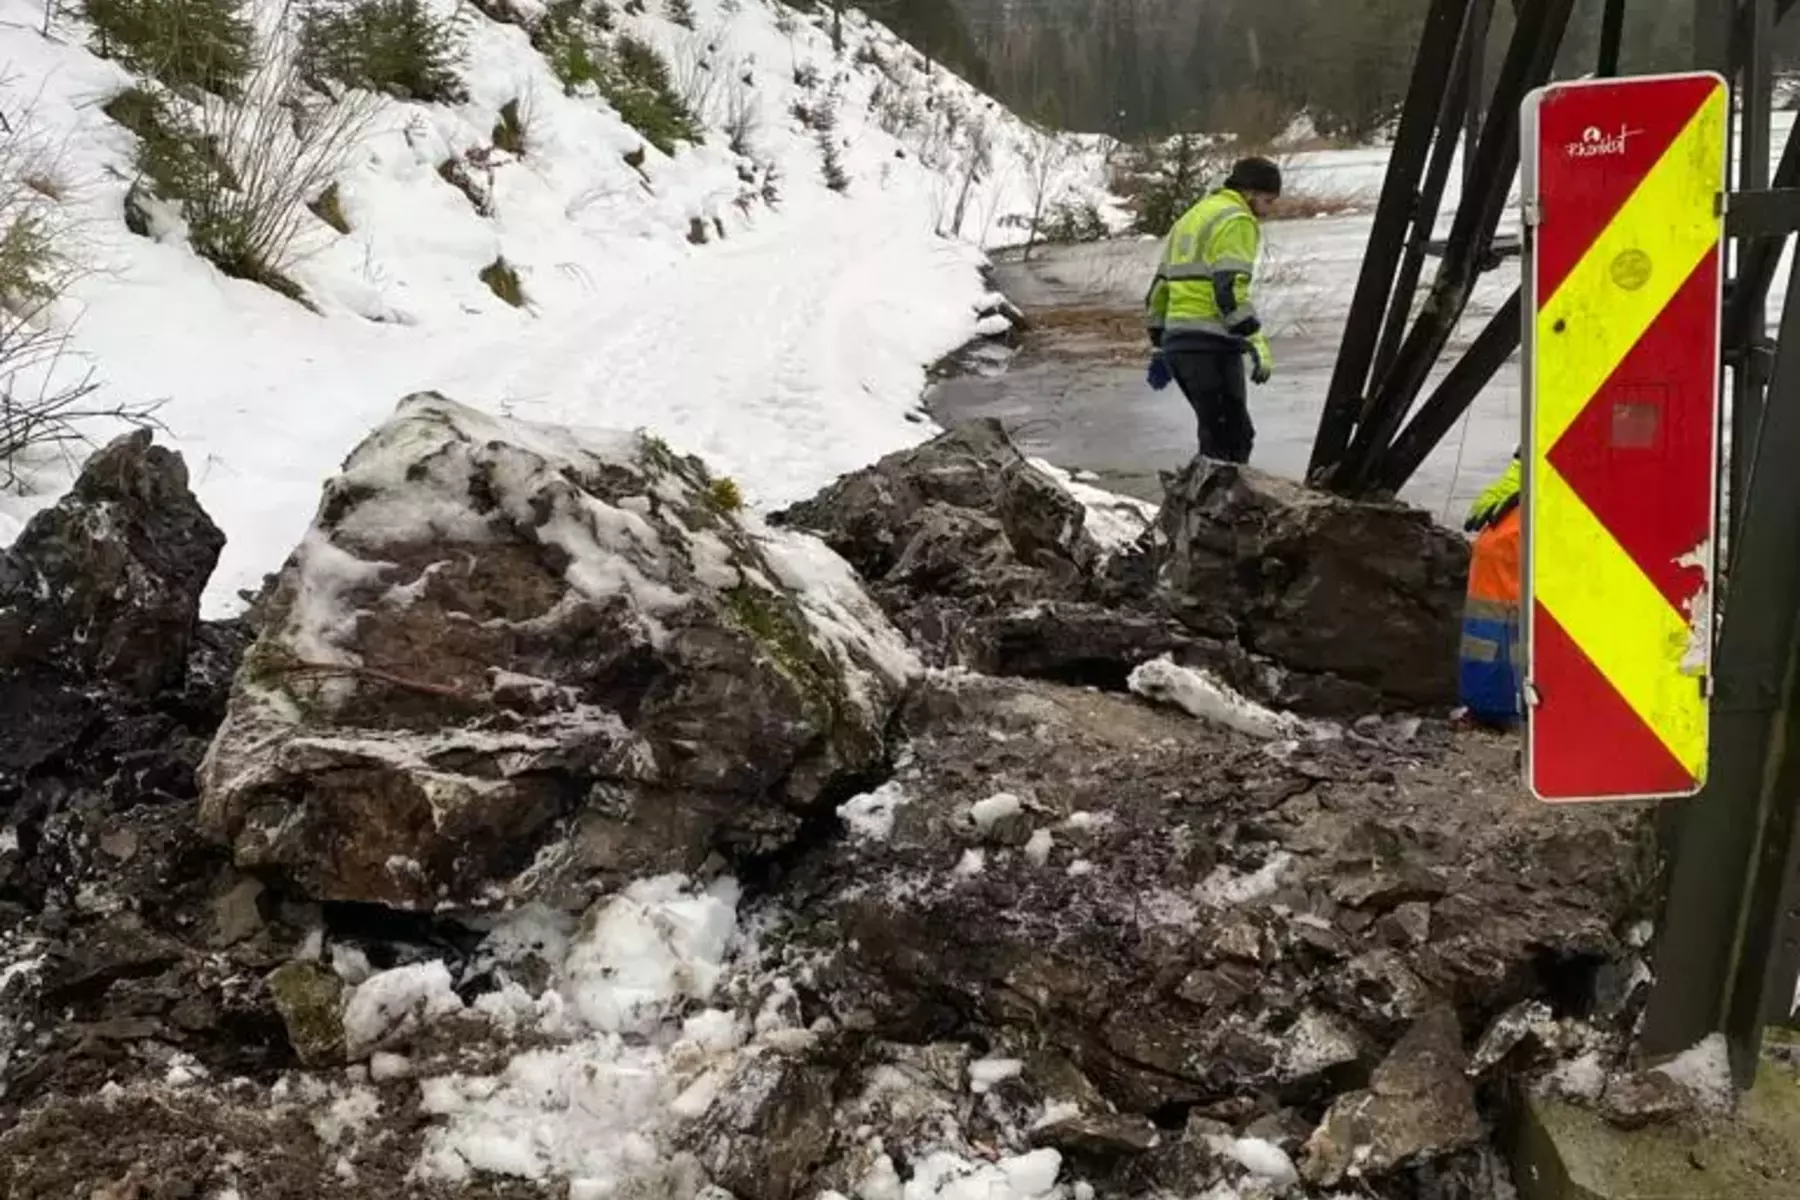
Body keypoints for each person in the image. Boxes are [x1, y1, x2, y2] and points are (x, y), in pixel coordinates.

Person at [1143, 156, 1281, 464]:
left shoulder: (1193, 217)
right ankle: (1220, 508)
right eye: (1269, 201)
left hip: (1181, 344)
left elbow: (1157, 292)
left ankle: (1201, 503)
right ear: (1250, 194)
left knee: (1215, 434)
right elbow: (1229, 289)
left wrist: (1160, 344)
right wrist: (1255, 338)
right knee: (1233, 438)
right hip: (1212, 344)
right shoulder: (1238, 220)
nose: (1270, 210)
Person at [1459, 451, 1523, 727]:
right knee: (1509, 626)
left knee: (1492, 629)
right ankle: (1505, 706)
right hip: (1516, 539)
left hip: (1502, 537)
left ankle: (1492, 705)